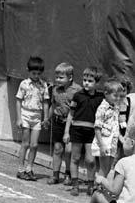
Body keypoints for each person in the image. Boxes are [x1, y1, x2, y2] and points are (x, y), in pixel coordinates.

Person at [64, 66, 103, 196]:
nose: (86, 83)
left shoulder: (100, 98)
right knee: (75, 157)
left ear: (97, 83)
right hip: (76, 130)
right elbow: (71, 114)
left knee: (90, 160)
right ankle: (75, 185)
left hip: (92, 132)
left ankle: (90, 185)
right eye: (84, 80)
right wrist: (66, 132)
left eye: (90, 81)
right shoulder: (77, 96)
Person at [15, 56, 50, 181]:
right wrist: (19, 118)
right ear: (28, 71)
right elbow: (18, 101)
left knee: (34, 145)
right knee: (25, 143)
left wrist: (45, 118)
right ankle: (20, 169)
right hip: (25, 114)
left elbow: (46, 102)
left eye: (38, 73)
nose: (36, 76)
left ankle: (29, 168)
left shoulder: (43, 85)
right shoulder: (24, 84)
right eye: (33, 73)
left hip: (37, 117)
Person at [46, 63, 81, 185]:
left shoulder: (77, 91)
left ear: (70, 78)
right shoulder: (55, 90)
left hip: (71, 123)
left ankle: (68, 174)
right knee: (57, 148)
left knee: (69, 150)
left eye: (61, 78)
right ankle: (55, 175)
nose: (57, 80)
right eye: (57, 77)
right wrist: (47, 119)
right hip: (57, 121)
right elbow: (53, 105)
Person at [93, 79, 124, 178]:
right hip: (104, 141)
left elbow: (115, 126)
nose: (118, 98)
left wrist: (121, 138)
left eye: (120, 96)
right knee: (103, 168)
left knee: (108, 168)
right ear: (106, 94)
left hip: (113, 142)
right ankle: (97, 190)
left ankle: (102, 189)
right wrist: (101, 145)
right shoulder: (102, 108)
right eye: (115, 95)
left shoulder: (116, 107)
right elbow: (97, 128)